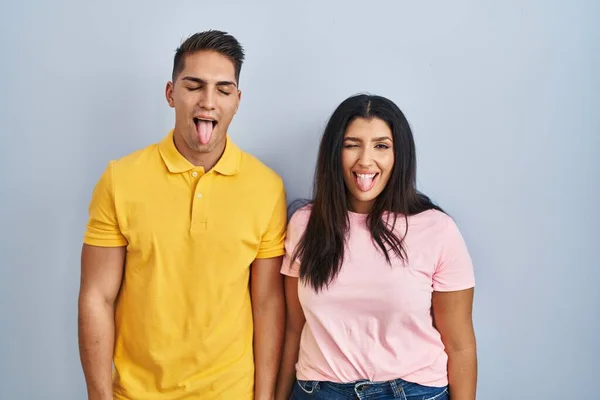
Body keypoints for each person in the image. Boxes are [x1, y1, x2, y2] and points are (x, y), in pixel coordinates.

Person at [78, 30, 287, 400]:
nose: (208, 101)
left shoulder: (266, 187)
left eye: (223, 90)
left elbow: (267, 304)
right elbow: (97, 296)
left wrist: (265, 396)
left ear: (237, 101)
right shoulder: (120, 179)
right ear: (171, 93)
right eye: (195, 86)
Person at [275, 94, 477, 400]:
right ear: (334, 152)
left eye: (381, 146)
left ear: (399, 154)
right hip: (318, 391)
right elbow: (293, 328)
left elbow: (460, 346)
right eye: (351, 144)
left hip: (412, 392)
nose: (365, 160)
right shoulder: (305, 225)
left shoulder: (438, 229)